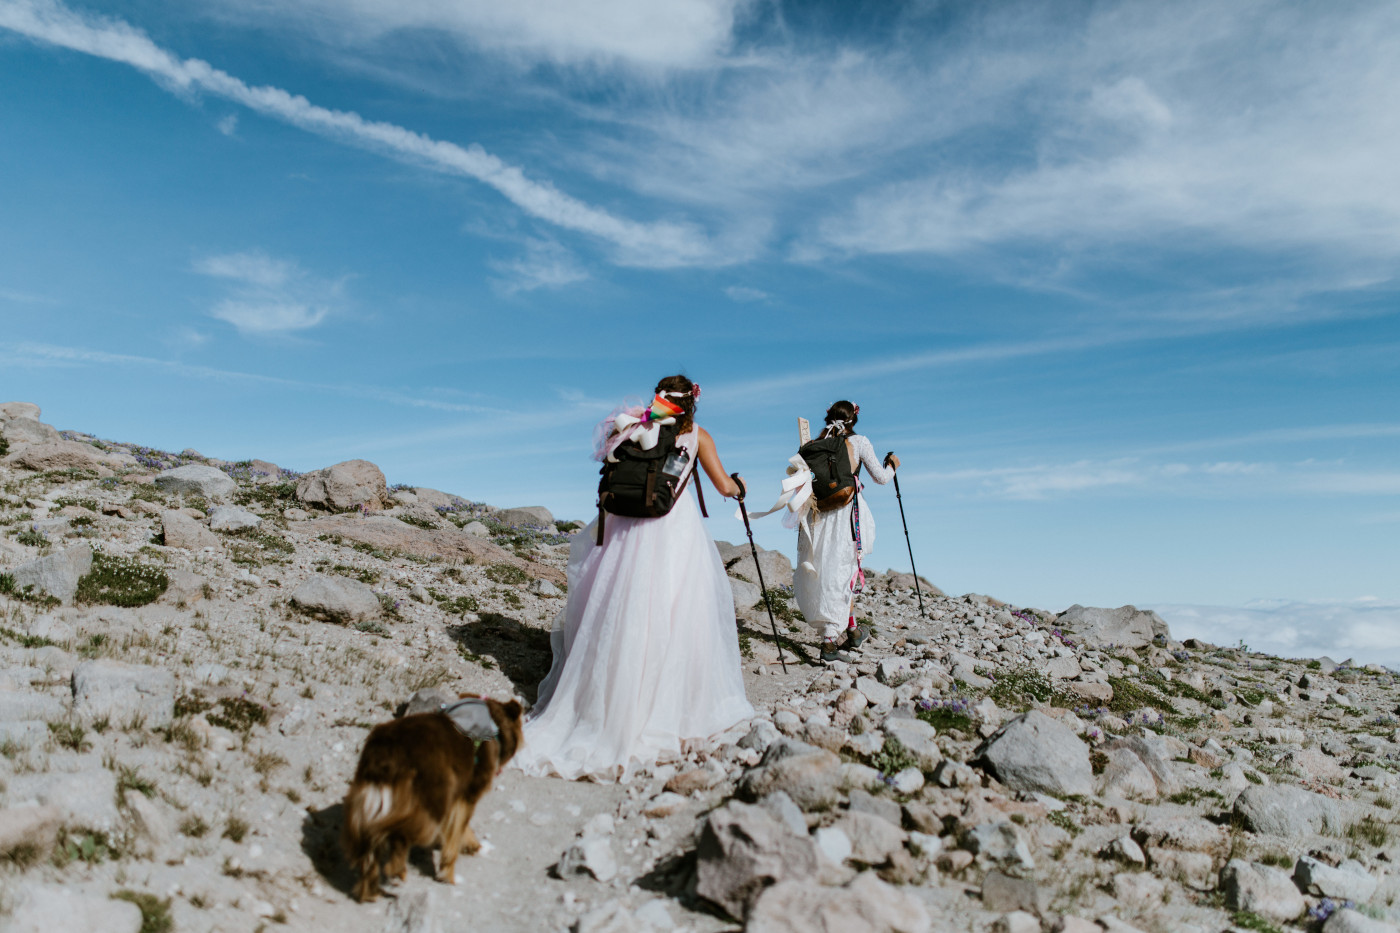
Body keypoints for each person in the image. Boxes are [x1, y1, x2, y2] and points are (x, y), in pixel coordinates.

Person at [513, 374, 755, 782]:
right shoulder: (697, 434)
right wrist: (740, 487)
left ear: (659, 397)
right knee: (675, 612)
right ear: (692, 403)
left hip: (625, 528)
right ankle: (668, 708)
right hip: (672, 529)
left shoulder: (636, 425)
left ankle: (603, 702)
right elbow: (723, 486)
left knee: (620, 609)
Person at [794, 400, 900, 663]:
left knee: (825, 568)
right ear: (854, 419)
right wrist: (893, 465)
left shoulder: (813, 444)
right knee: (844, 570)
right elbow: (881, 477)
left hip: (818, 513)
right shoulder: (860, 442)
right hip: (846, 513)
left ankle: (850, 630)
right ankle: (829, 642)